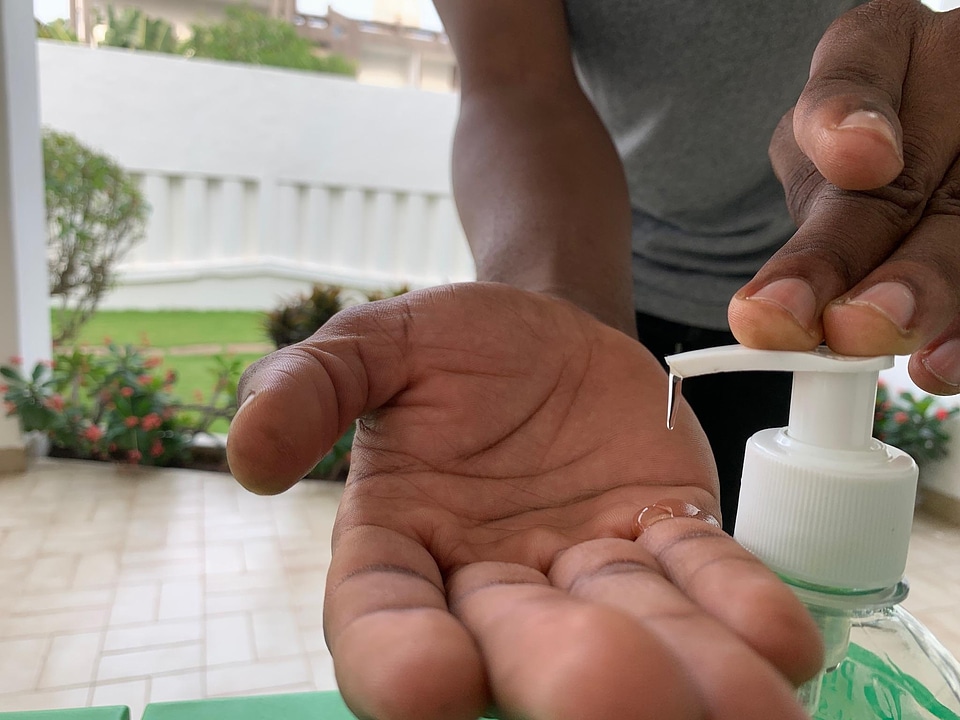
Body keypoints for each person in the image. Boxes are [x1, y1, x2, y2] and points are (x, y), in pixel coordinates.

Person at [227, 0, 960, 717]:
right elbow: (517, 84)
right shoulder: (578, 385)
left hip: (830, 296)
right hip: (600, 276)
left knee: (737, 623)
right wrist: (558, 309)